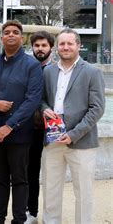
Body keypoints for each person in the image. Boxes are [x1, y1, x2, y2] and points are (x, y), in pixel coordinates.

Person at [0, 20, 43, 224]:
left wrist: (10, 125)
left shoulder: (32, 65)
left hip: (19, 133)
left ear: (22, 38)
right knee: (0, 178)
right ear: (2, 37)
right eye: (6, 32)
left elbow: (33, 100)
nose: (10, 35)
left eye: (15, 32)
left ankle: (19, 219)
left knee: (20, 179)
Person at [40, 28, 105, 224]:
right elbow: (41, 100)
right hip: (52, 140)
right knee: (50, 190)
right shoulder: (48, 71)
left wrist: (74, 134)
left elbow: (97, 108)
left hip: (82, 142)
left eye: (70, 43)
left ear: (78, 46)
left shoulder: (92, 72)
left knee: (84, 193)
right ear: (56, 47)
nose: (65, 47)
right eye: (62, 44)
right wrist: (44, 109)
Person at [26, 31, 54, 223]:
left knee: (53, 173)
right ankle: (32, 212)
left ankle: (51, 215)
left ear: (50, 47)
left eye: (44, 45)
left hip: (53, 128)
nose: (40, 49)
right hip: (32, 128)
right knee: (31, 173)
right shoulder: (27, 67)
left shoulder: (57, 69)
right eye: (37, 45)